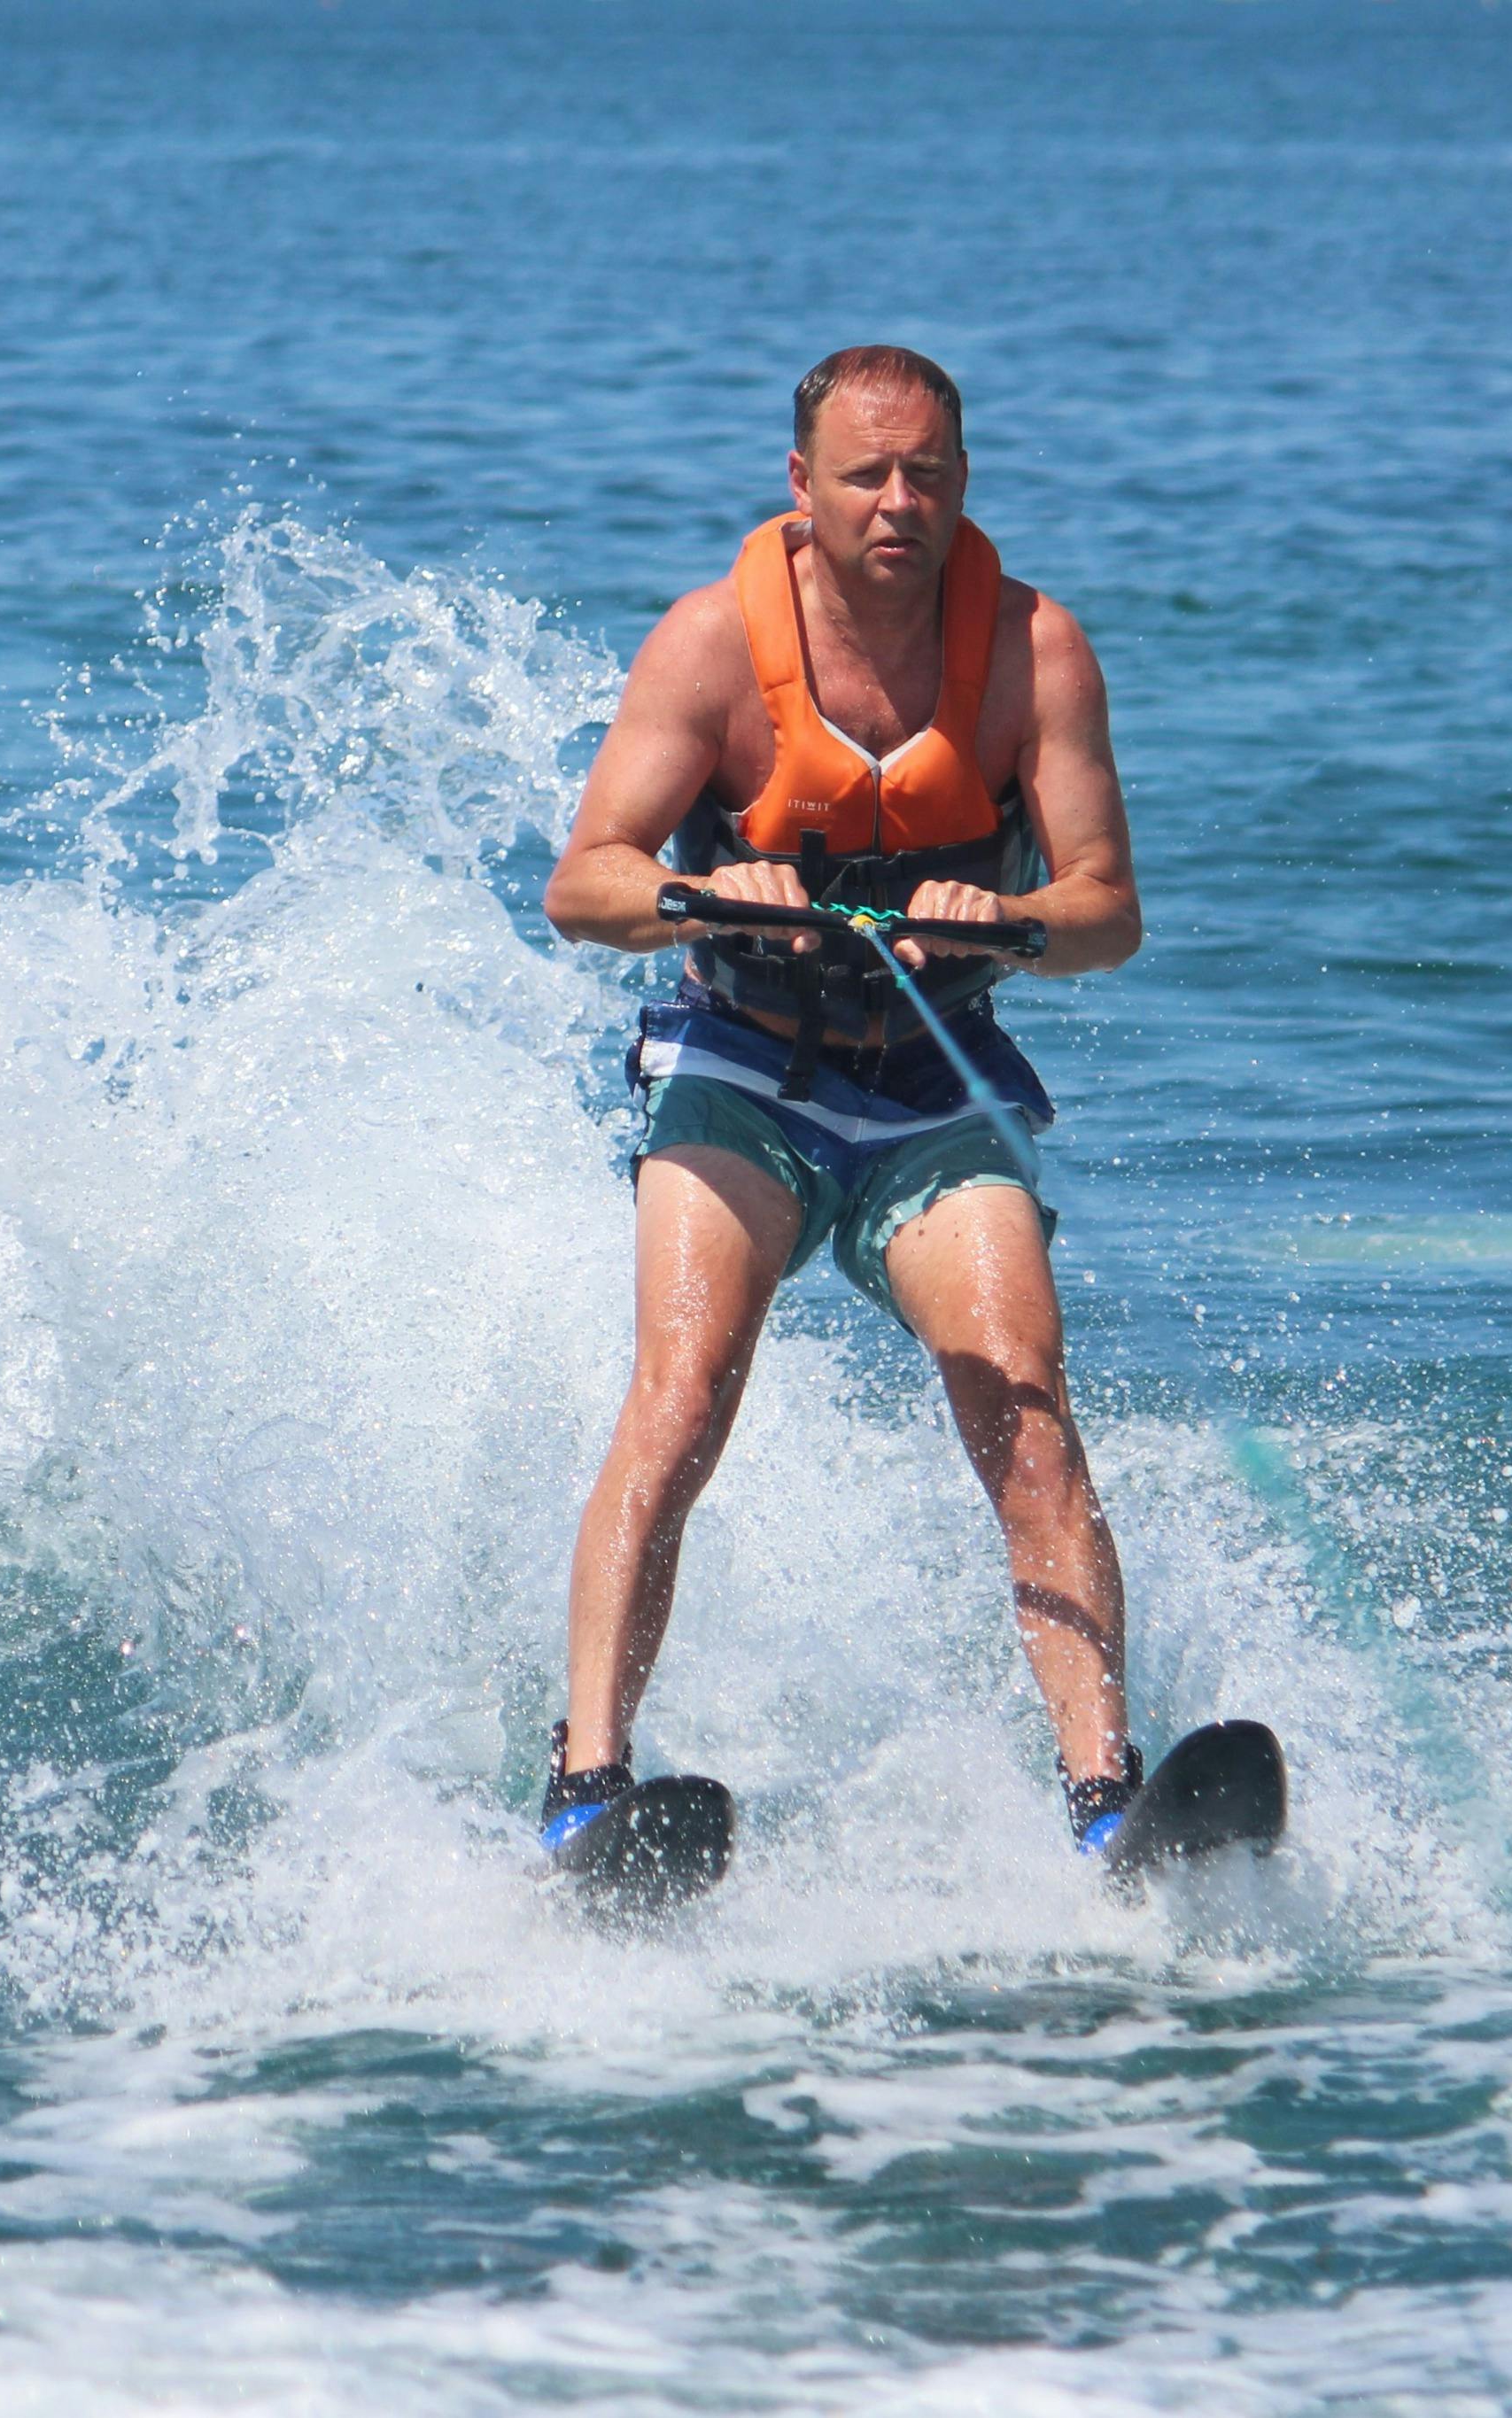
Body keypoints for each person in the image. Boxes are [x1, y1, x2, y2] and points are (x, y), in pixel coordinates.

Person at [539, 345, 1154, 1862]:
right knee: (683, 1395)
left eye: (929, 475)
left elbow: (1108, 913)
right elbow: (582, 883)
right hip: (745, 1066)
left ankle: (1104, 1793)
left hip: (932, 1084)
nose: (900, 502)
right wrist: (696, 891)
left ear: (963, 485)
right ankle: (584, 1784)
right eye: (867, 474)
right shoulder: (706, 648)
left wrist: (1003, 925)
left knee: (1022, 1398)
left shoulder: (1034, 653)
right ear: (799, 486)